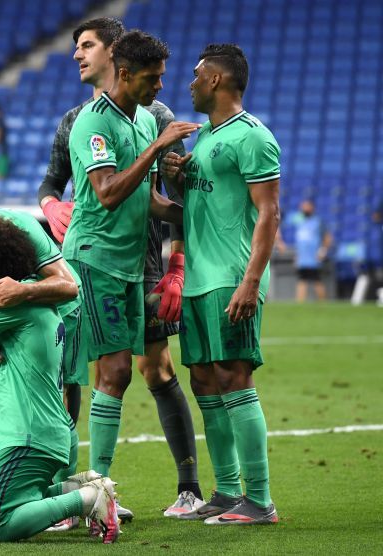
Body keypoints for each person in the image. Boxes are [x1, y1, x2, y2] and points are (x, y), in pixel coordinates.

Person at [38, 17, 204, 519]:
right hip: (95, 260)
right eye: (153, 78)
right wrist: (156, 149)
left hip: (133, 263)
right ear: (126, 71)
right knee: (101, 372)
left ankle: (98, 490)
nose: (160, 86)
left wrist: (196, 216)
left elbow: (147, 199)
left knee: (123, 373)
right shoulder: (91, 122)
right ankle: (91, 492)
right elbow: (108, 194)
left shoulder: (144, 120)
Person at [0, 220, 119, 544]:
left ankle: (87, 500)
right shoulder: (30, 296)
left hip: (26, 437)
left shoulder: (10, 300)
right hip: (25, 434)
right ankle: (81, 486)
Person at [161, 43, 280, 524]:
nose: (188, 82)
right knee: (206, 381)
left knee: (235, 377)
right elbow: (200, 205)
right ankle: (228, 491)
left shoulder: (253, 137)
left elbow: (269, 212)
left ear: (216, 81)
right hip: (198, 279)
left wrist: (251, 282)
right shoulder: (207, 139)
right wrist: (177, 177)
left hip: (231, 277)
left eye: (196, 74)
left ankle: (261, 500)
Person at [278, 199, 332, 301]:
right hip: (302, 258)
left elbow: (328, 237)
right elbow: (281, 219)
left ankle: (323, 303)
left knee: (317, 279)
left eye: (306, 206)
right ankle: (300, 303)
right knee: (302, 280)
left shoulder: (318, 222)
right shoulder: (300, 221)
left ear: (312, 208)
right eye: (303, 207)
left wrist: (323, 250)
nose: (304, 209)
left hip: (314, 257)